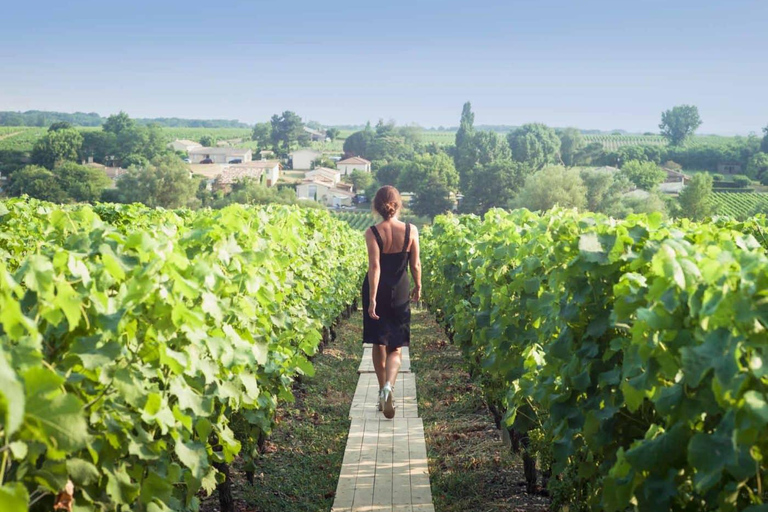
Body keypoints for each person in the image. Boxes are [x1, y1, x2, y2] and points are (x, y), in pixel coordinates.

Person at [361, 186, 421, 419]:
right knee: (396, 347)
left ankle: (380, 390)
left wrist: (373, 298)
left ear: (376, 206)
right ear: (398, 205)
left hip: (378, 290)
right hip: (400, 291)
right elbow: (415, 265)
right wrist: (419, 285)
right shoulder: (411, 230)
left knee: (379, 343)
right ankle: (389, 387)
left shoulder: (372, 232)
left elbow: (374, 267)